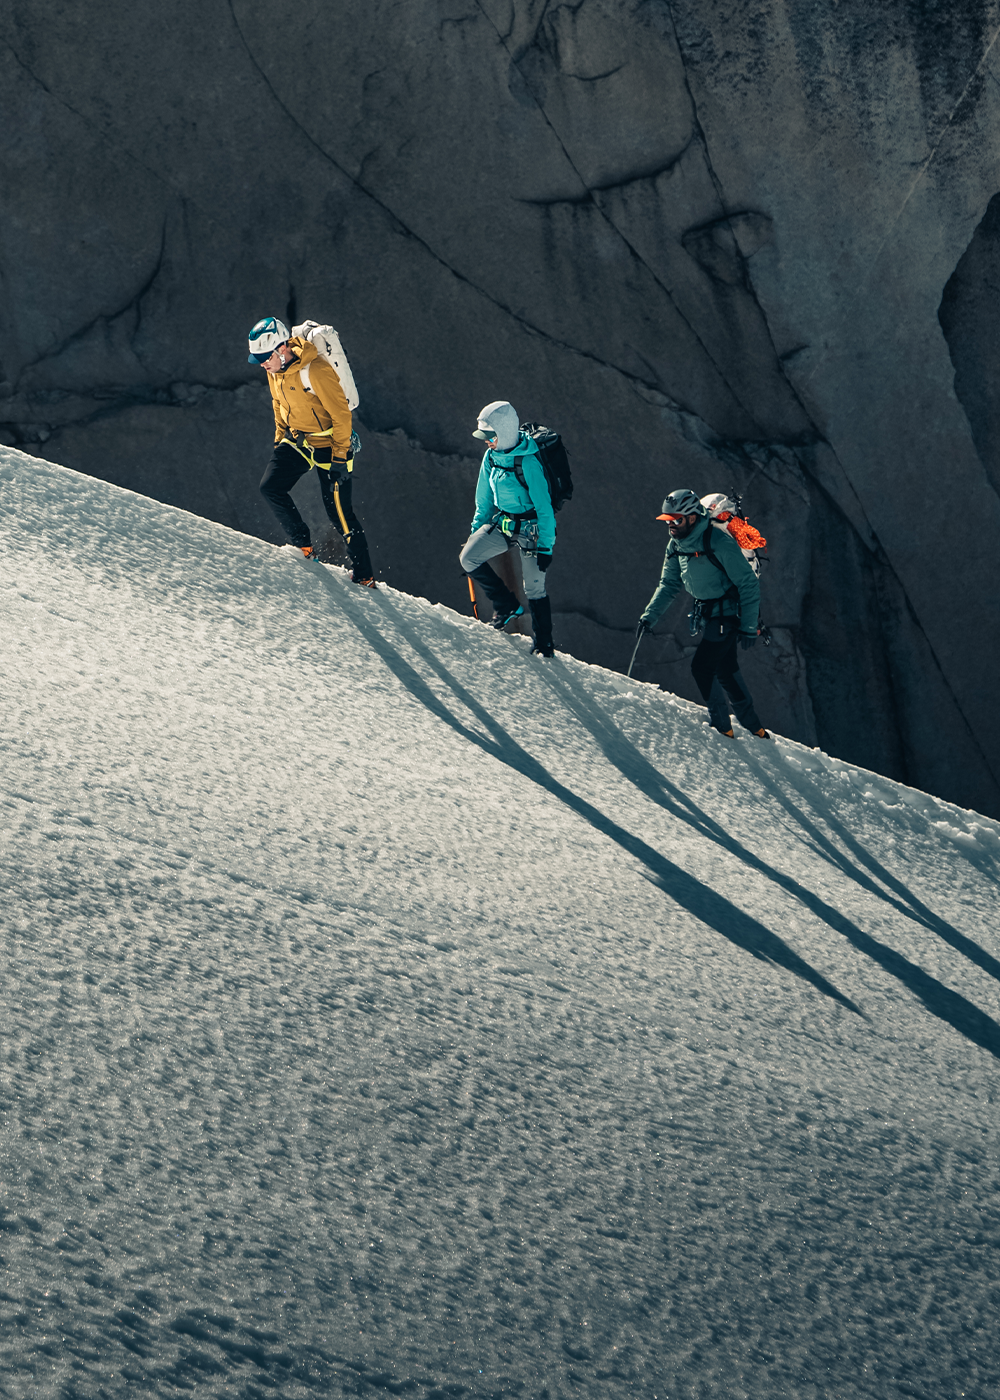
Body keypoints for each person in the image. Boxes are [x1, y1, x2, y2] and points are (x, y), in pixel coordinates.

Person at [248, 316, 376, 586]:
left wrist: (341, 457)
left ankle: (365, 576)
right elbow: (277, 403)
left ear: (281, 349)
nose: (262, 364)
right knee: (270, 487)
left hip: (332, 445)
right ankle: (303, 548)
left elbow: (341, 415)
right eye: (258, 358)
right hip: (299, 440)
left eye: (264, 357)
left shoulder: (314, 370)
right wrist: (279, 437)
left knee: (339, 514)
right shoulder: (274, 370)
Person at [637, 488, 770, 739]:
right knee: (725, 667)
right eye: (667, 520)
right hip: (710, 612)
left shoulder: (717, 541)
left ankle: (722, 728)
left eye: (676, 520)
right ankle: (755, 728)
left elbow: (747, 583)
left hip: (728, 613)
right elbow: (669, 583)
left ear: (692, 517)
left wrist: (749, 626)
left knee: (702, 667)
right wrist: (649, 616)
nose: (671, 525)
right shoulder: (676, 544)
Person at [459, 400, 556, 657]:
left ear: (504, 432)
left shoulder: (528, 462)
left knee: (534, 587)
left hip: (532, 530)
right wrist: (475, 533)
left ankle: (544, 644)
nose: (486, 442)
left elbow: (544, 508)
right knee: (468, 557)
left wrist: (546, 546)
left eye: (490, 436)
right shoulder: (491, 456)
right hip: (503, 523)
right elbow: (484, 501)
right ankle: (506, 607)